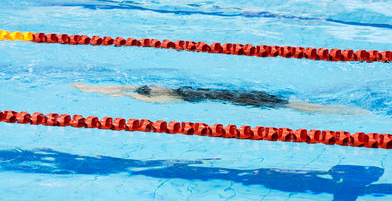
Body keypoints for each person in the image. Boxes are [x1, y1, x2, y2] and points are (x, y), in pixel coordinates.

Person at [72, 83, 369, 114]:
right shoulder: (178, 94)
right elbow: (134, 92)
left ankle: (346, 112)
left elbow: (135, 92)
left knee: (299, 106)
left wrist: (99, 90)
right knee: (299, 104)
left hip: (243, 99)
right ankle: (344, 110)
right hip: (241, 96)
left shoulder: (177, 97)